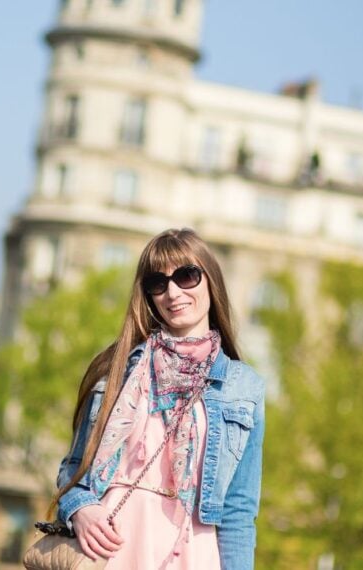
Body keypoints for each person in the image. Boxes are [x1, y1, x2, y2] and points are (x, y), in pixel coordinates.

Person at [53, 228, 265, 570]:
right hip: (110, 548)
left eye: (186, 276)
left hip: (192, 553)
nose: (173, 292)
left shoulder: (243, 386)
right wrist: (81, 509)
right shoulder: (117, 369)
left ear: (210, 279)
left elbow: (238, 509)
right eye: (158, 283)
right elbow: (72, 469)